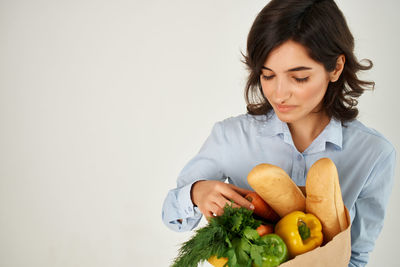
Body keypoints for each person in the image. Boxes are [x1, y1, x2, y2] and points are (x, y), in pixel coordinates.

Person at [161, 0, 396, 266]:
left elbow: (356, 256)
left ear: (336, 68)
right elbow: (172, 216)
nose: (279, 93)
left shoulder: (374, 153)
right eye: (268, 75)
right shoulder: (232, 136)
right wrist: (196, 192)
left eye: (299, 78)